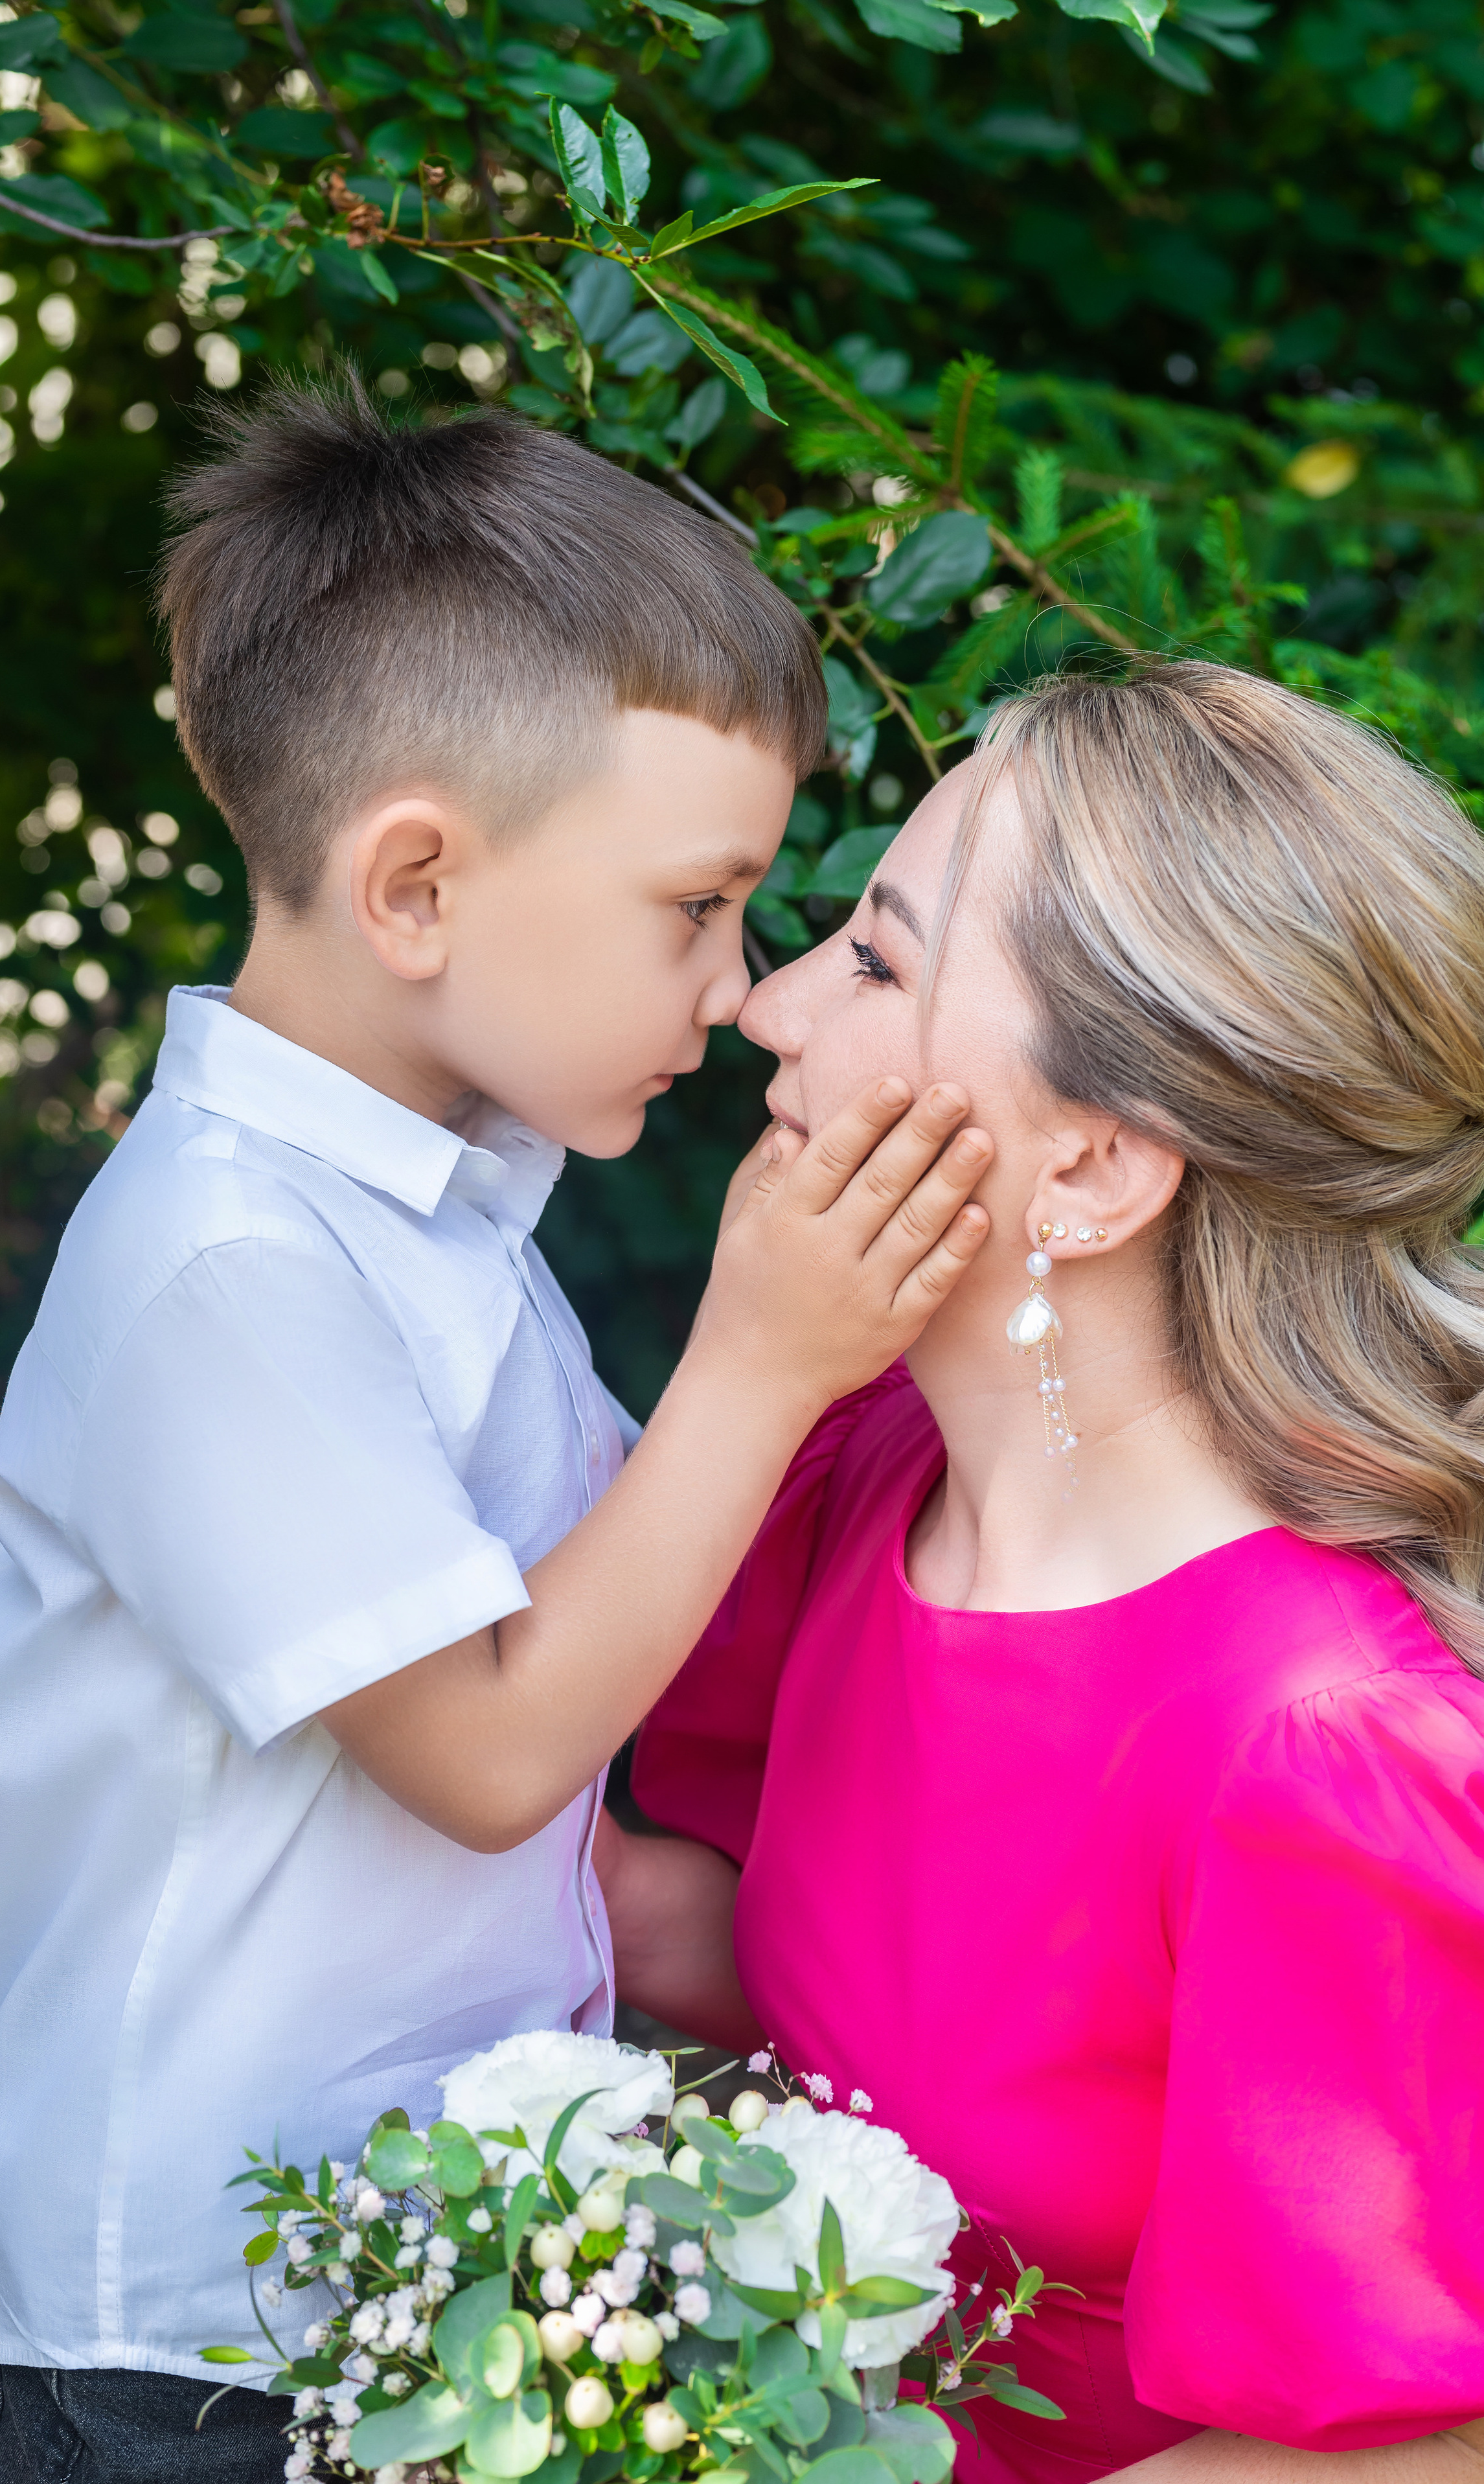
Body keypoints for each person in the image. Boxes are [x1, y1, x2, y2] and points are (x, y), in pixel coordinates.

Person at [0, 378, 998, 2484]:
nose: (737, 985)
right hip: (193, 2340)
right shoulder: (224, 1264)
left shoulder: (439, 1216)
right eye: (693, 905)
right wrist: (765, 1352)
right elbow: (499, 1751)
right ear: (416, 884)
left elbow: (659, 1622)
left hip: (418, 2261)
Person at [603, 662, 1484, 2484]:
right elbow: (705, 1933)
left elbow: (1418, 2446)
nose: (771, 1001)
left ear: (1089, 1163)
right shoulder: (861, 1479)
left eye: (875, 962)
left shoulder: (1323, 1745)